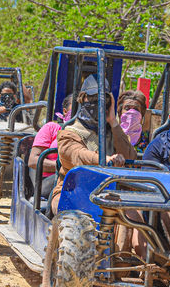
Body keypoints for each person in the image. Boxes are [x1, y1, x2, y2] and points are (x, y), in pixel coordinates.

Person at [50, 75, 137, 214]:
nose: (98, 103)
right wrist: (105, 160)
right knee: (75, 220)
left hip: (109, 192)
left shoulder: (113, 132)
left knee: (134, 216)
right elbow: (78, 156)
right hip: (72, 191)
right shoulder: (69, 133)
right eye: (93, 98)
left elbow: (130, 156)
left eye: (103, 100)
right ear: (82, 99)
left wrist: (113, 121)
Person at [28, 94, 73, 199]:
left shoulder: (90, 134)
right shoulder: (51, 128)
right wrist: (64, 167)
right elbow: (33, 161)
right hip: (48, 181)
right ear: (65, 111)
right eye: (75, 107)